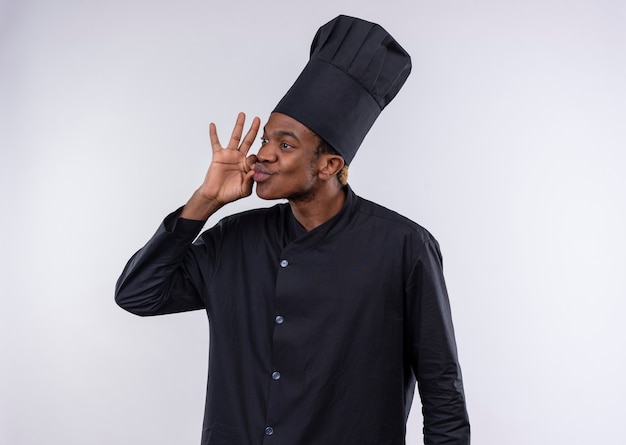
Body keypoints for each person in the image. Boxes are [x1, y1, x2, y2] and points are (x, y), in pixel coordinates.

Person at [116, 15, 470, 445]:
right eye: (266, 140)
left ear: (329, 165)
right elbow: (138, 293)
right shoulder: (232, 240)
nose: (262, 155)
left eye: (284, 145)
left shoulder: (403, 247)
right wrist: (205, 201)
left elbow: (442, 390)